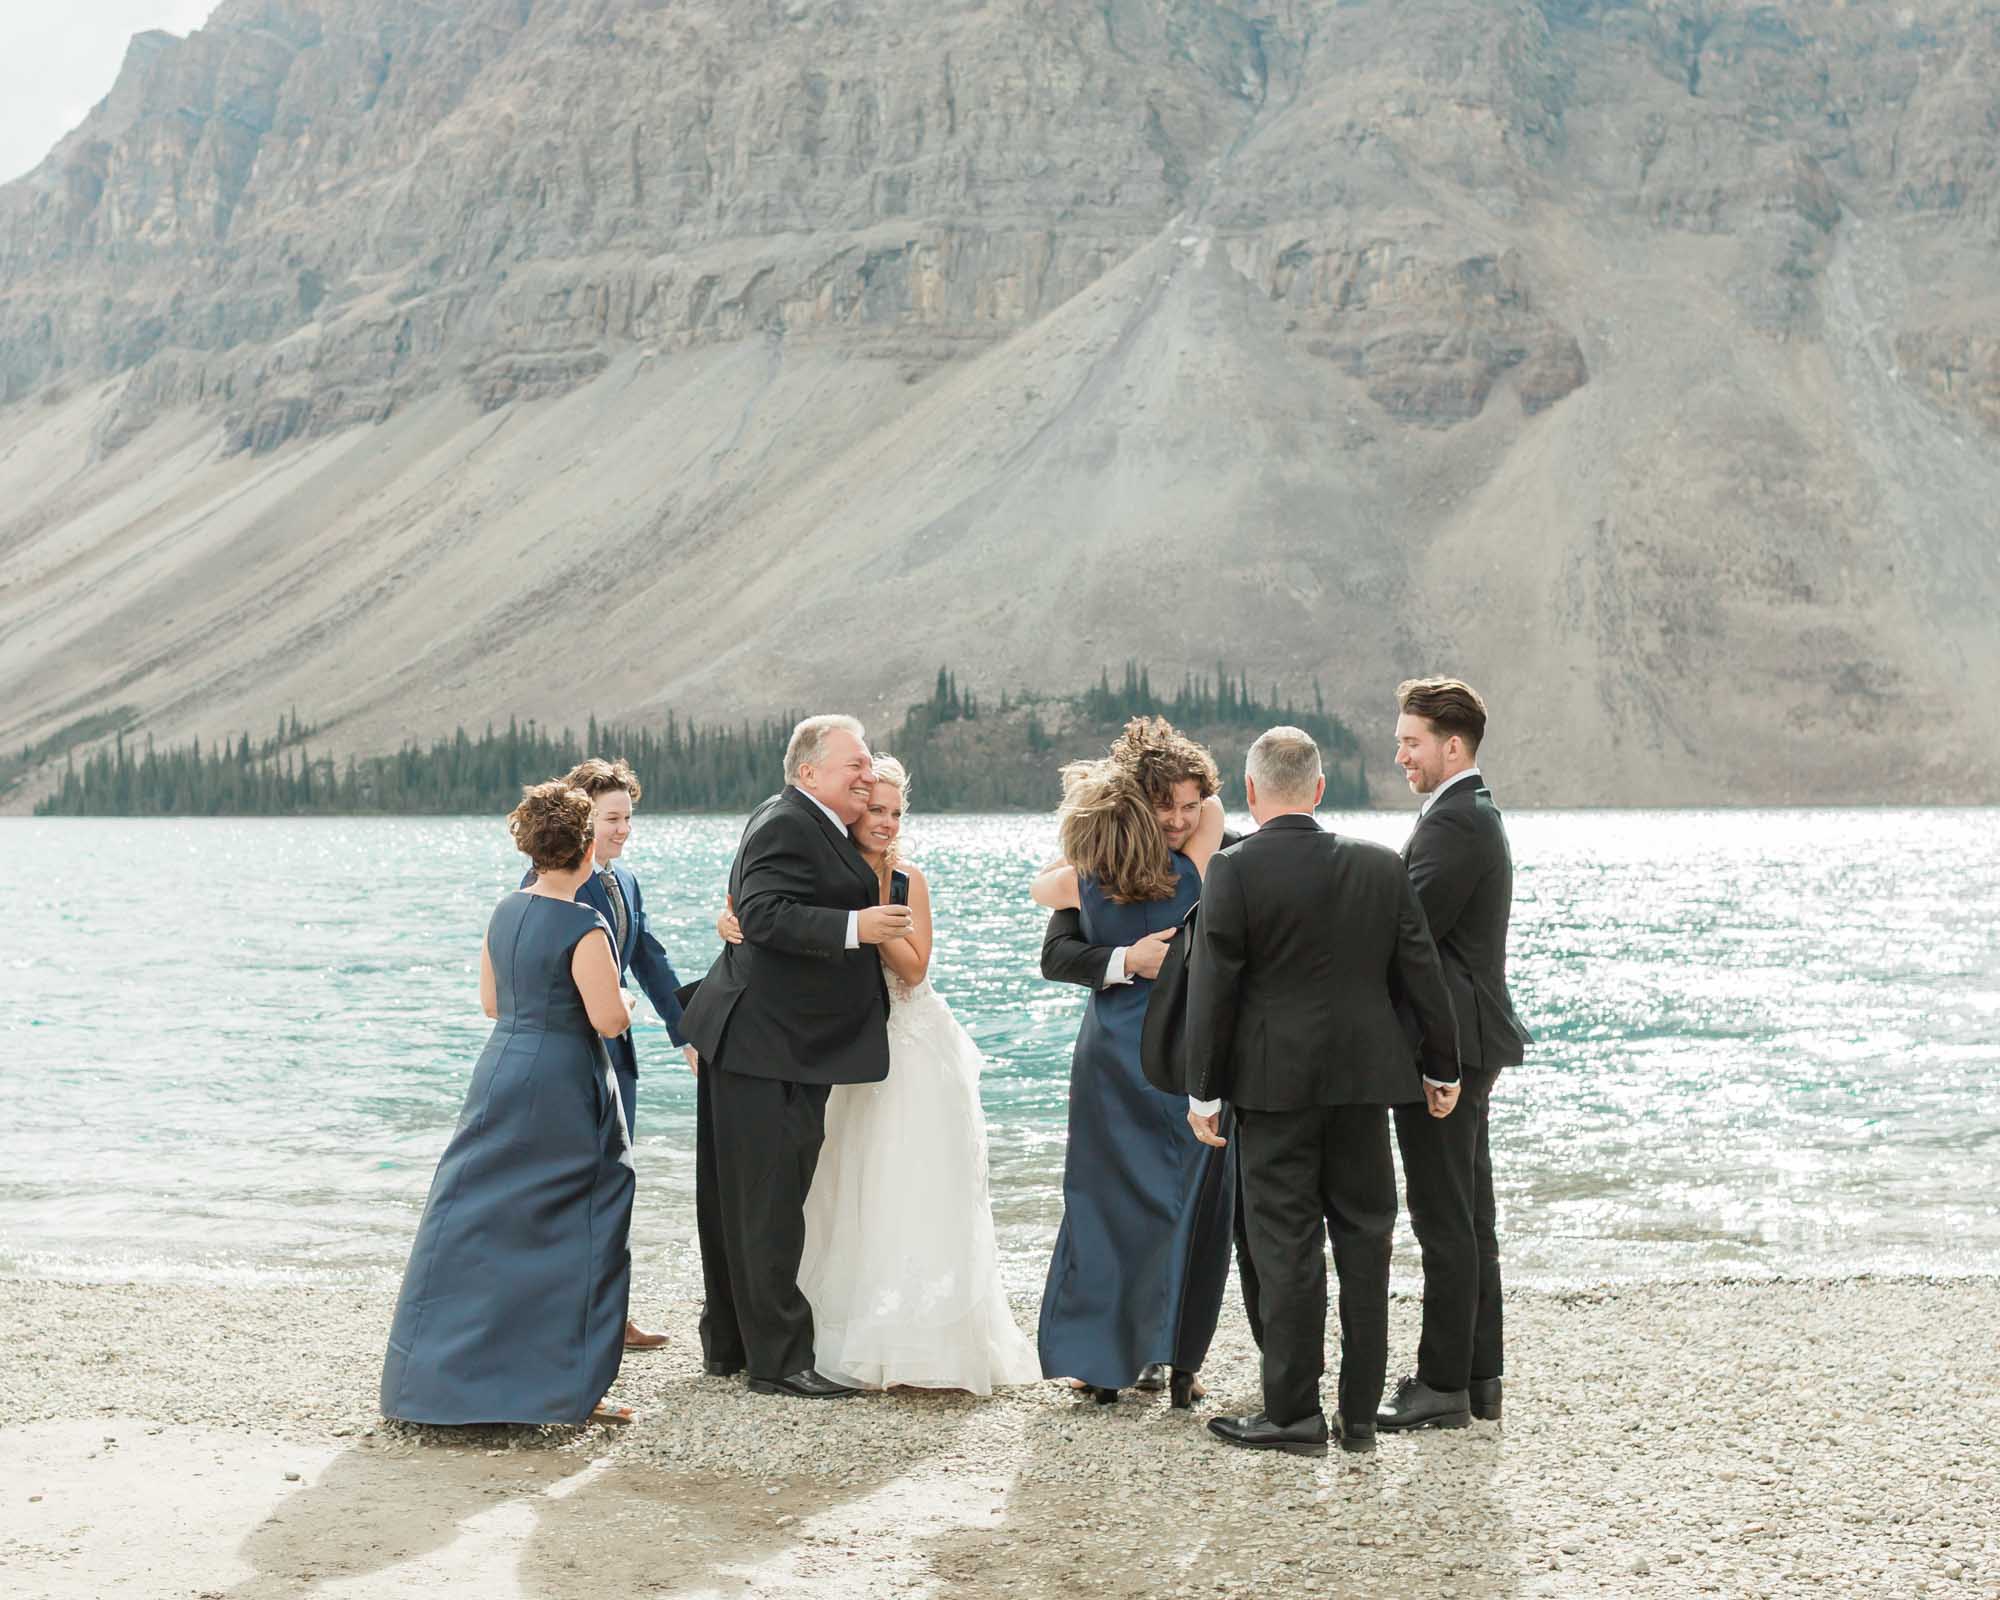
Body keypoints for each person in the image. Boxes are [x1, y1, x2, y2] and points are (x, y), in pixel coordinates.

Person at [714, 758, 1040, 1393]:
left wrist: (873, 921)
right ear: (852, 812)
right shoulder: (824, 868)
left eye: (896, 813)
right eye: (876, 811)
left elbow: (915, 969)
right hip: (835, 1047)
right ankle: (836, 1330)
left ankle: (922, 1338)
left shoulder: (905, 880)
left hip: (909, 1045)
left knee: (910, 1184)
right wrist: (737, 926)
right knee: (838, 1186)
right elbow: (776, 921)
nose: (886, 823)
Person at [1184, 727, 1461, 1457]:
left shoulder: (1233, 870)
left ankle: (1295, 1415)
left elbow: (1215, 991)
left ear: (1249, 792)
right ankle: (1361, 1418)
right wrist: (1442, 1068)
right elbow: (1421, 974)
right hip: (1367, 1087)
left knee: (1287, 1250)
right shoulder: (1378, 866)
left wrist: (1203, 1092)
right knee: (1367, 1244)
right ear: (1317, 789)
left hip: (1274, 1091)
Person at [381, 783, 639, 1427]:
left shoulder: (505, 909)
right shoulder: (585, 923)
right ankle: (568, 1388)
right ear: (583, 847)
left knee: (478, 1219)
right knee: (582, 1219)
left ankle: (432, 1386)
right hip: (562, 1078)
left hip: (500, 1069)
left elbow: (493, 1005)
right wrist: (628, 1001)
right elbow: (608, 1019)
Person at [679, 715, 908, 1399]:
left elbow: (751, 912)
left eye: (869, 765)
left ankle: (730, 1345)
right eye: (855, 766)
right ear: (808, 772)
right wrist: (855, 927)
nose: (868, 775)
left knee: (740, 1201)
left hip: (764, 1038)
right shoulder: (787, 822)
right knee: (769, 1204)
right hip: (768, 1041)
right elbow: (764, 913)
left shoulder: (796, 819)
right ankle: (778, 1362)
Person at [1038, 718, 1259, 1378]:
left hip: (1158, 1057)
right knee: (1111, 1205)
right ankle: (1123, 1359)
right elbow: (1056, 956)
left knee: (1165, 1206)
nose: (1181, 817)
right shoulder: (1193, 866)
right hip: (1143, 1054)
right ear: (1138, 799)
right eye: (1165, 804)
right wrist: (1126, 959)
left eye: (1190, 806)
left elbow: (1046, 887)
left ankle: (1144, 1355)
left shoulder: (1084, 873)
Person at [1378, 678, 1534, 1433]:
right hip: (1470, 1036)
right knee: (1469, 1215)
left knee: (1445, 1217)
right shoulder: (1464, 815)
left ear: (1453, 746)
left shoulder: (1456, 823)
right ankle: (1477, 1378)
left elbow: (1408, 932)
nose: (1400, 753)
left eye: (1411, 742)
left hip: (1452, 1042)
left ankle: (1441, 1384)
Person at [522, 756, 691, 1353]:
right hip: (574, 1060)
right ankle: (571, 1321)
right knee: (577, 1188)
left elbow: (648, 957)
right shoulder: (549, 884)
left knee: (614, 1187)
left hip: (620, 1058)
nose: (622, 829)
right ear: (578, 821)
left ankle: (610, 1316)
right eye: (611, 819)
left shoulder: (626, 882)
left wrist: (688, 1032)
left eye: (627, 817)